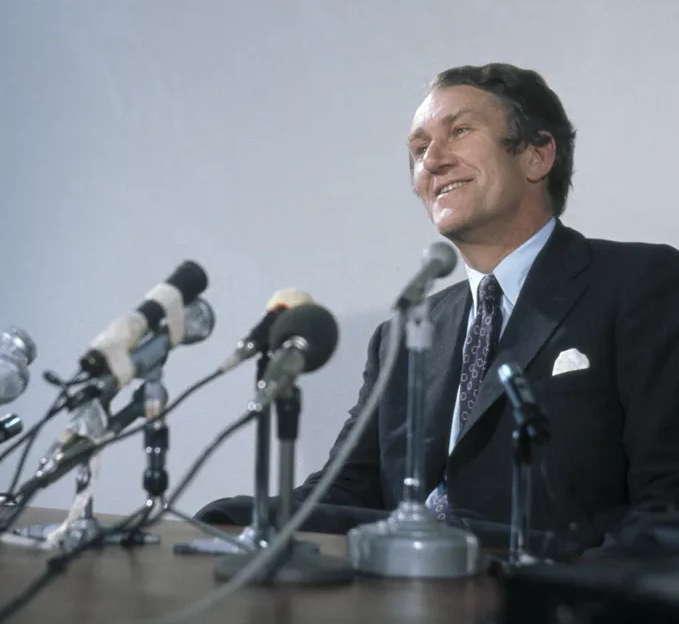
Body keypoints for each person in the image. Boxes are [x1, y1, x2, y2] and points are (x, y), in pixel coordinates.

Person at [198, 63, 679, 554]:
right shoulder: (404, 333)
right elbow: (348, 491)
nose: (431, 162)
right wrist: (231, 523)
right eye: (418, 149)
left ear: (536, 155)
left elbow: (667, 503)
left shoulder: (641, 283)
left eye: (460, 132)